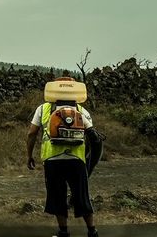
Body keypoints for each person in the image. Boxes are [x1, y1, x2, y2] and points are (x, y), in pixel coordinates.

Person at [26, 78, 98, 237]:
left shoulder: (43, 109)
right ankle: (92, 231)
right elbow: (93, 137)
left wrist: (29, 155)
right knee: (82, 196)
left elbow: (32, 133)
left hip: (53, 161)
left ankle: (63, 232)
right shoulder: (81, 110)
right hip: (76, 161)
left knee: (57, 196)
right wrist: (89, 162)